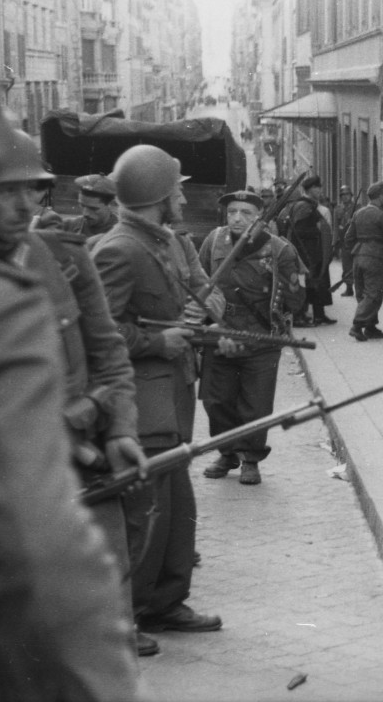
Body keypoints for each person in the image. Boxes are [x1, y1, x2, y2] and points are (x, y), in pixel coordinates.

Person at [0, 22, 142, 701]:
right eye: (5, 188)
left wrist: (114, 421)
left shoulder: (57, 259)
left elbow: (108, 349)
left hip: (81, 465)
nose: (23, 205)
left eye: (34, 190)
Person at [92, 143, 226, 637]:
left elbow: (200, 287)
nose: (184, 202)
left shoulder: (165, 242)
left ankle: (166, 601)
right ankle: (124, 616)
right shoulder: (117, 249)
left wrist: (205, 312)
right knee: (144, 509)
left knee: (176, 506)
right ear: (156, 197)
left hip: (173, 393)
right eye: (176, 193)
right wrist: (156, 341)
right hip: (141, 402)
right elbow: (100, 334)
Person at [199, 190, 306, 484]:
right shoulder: (214, 241)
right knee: (217, 400)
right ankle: (227, 453)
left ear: (259, 216)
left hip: (260, 338)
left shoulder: (279, 249)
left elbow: (297, 300)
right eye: (232, 211)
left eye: (245, 213)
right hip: (221, 334)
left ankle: (250, 458)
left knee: (256, 403)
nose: (236, 218)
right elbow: (199, 279)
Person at [344, 182, 383, 340]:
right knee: (373, 294)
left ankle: (370, 326)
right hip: (375, 258)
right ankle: (357, 325)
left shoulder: (358, 213)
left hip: (359, 256)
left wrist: (359, 248)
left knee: (362, 293)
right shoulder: (381, 214)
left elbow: (348, 238)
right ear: (380, 196)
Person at [285, 175, 335, 326]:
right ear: (311, 189)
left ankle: (319, 315)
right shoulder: (304, 206)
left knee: (316, 283)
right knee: (305, 284)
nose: (320, 190)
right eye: (317, 188)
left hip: (312, 252)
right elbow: (298, 232)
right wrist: (318, 231)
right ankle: (299, 317)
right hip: (306, 253)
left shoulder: (309, 204)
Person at [62, 174, 120, 239]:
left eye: (93, 208)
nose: (85, 213)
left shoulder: (121, 234)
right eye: (82, 205)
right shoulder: (67, 227)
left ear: (111, 204)